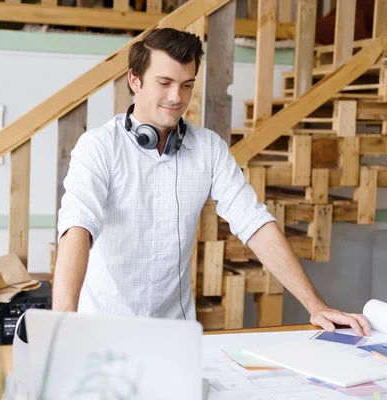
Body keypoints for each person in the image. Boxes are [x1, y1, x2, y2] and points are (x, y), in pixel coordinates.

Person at [52, 28, 371, 336]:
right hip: (103, 332)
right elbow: (77, 230)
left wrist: (315, 305)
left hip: (174, 335)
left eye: (187, 85)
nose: (176, 97)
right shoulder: (98, 147)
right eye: (164, 83)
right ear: (134, 80)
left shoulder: (209, 148)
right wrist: (62, 327)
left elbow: (255, 223)